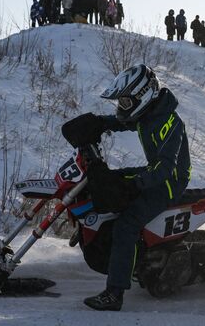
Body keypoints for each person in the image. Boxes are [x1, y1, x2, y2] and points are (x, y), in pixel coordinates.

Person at [77, 64, 191, 311]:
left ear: (144, 95)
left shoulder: (169, 123)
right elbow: (126, 122)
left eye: (126, 102)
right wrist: (99, 123)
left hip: (169, 182)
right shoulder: (149, 113)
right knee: (106, 182)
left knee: (126, 225)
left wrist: (133, 185)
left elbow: (164, 169)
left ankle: (114, 294)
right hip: (155, 173)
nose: (122, 107)